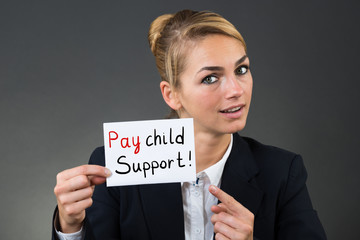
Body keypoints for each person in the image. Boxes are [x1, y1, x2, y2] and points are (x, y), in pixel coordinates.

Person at [52, 9, 327, 240]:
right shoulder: (115, 167)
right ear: (172, 94)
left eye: (241, 70)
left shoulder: (282, 172)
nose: (236, 89)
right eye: (211, 78)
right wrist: (71, 226)